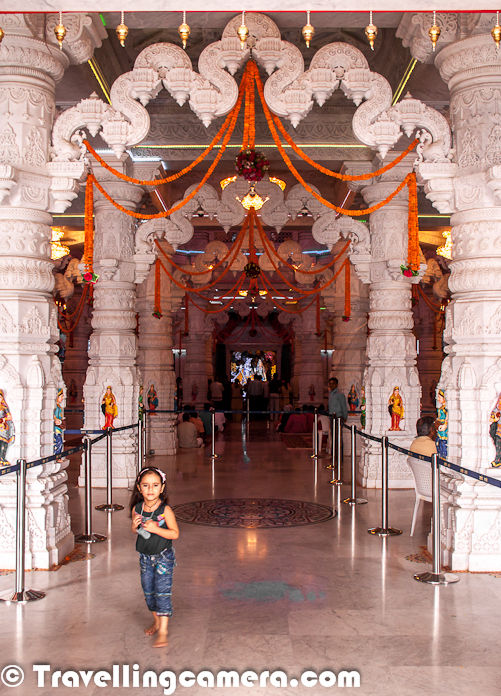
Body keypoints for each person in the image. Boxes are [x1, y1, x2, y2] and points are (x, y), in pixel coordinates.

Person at [130, 467, 179, 648]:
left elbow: (174, 533)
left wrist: (157, 529)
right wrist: (135, 527)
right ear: (139, 488)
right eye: (146, 485)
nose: (150, 489)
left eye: (155, 485)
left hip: (163, 558)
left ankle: (164, 631)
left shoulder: (165, 510)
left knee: (162, 592)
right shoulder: (137, 508)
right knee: (149, 592)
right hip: (144, 558)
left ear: (162, 488)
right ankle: (157, 621)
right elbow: (137, 531)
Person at [0, 390, 15, 464]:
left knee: (3, 442)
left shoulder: (4, 407)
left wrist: (3, 419)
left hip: (2, 427)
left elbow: (9, 417)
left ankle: (2, 458)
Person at [436, 389, 448, 458]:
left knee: (443, 442)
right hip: (440, 427)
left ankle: (443, 456)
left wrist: (445, 424)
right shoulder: (441, 408)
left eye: (439, 397)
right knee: (438, 443)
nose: (438, 399)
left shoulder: (445, 408)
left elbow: (447, 416)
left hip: (444, 428)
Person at [53, 388, 65, 456]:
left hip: (59, 428)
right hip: (56, 429)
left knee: (60, 443)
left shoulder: (59, 407)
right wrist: (57, 420)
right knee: (58, 443)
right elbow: (54, 417)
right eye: (61, 396)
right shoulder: (55, 407)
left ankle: (58, 456)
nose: (62, 398)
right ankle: (57, 456)